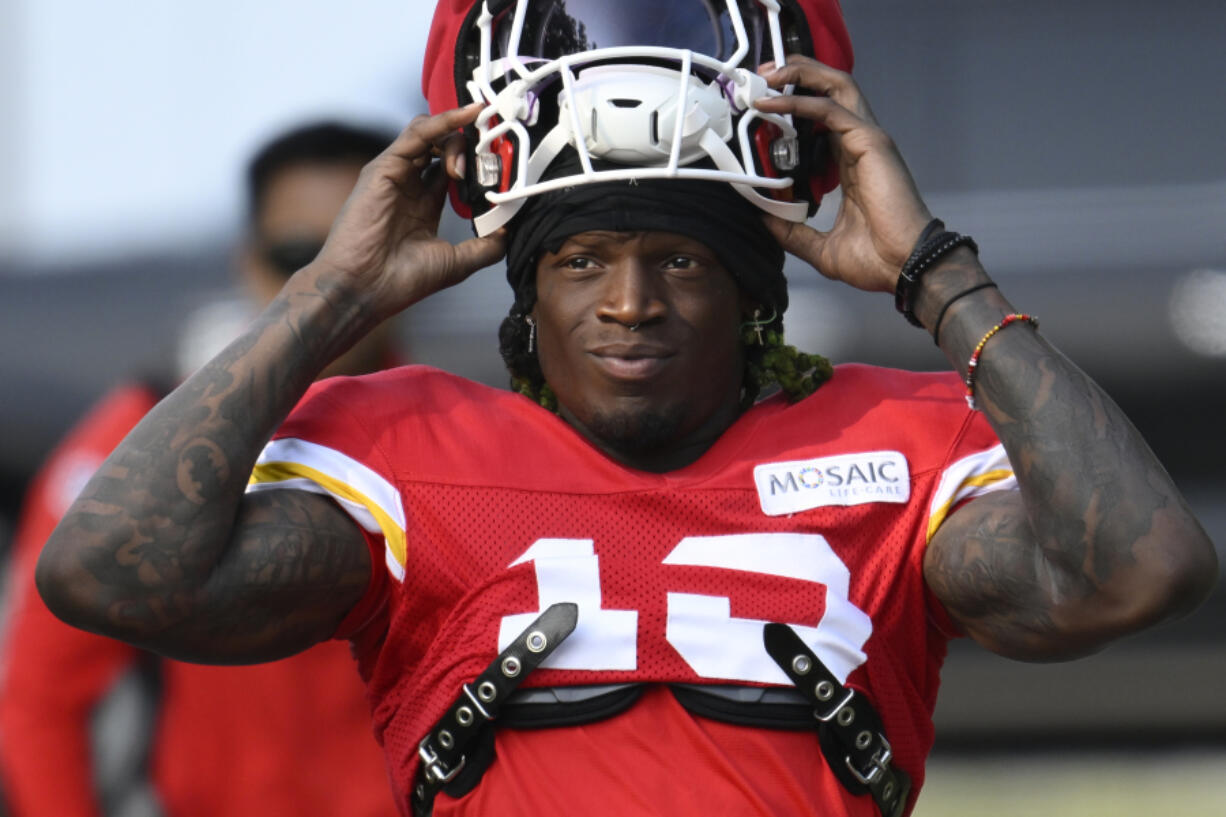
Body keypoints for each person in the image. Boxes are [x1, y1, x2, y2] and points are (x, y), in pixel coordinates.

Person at [32, 2, 1218, 816]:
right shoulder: (405, 449)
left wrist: (938, 275)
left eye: (681, 263)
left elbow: (1139, 569)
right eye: (582, 261)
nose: (631, 303)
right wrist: (330, 294)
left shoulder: (883, 445)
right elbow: (109, 575)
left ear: (752, 290)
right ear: (528, 291)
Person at [0, 121, 400, 817]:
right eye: (303, 255)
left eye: (369, 251)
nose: (340, 286)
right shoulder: (138, 434)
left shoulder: (463, 430)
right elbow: (38, 697)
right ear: (249, 261)